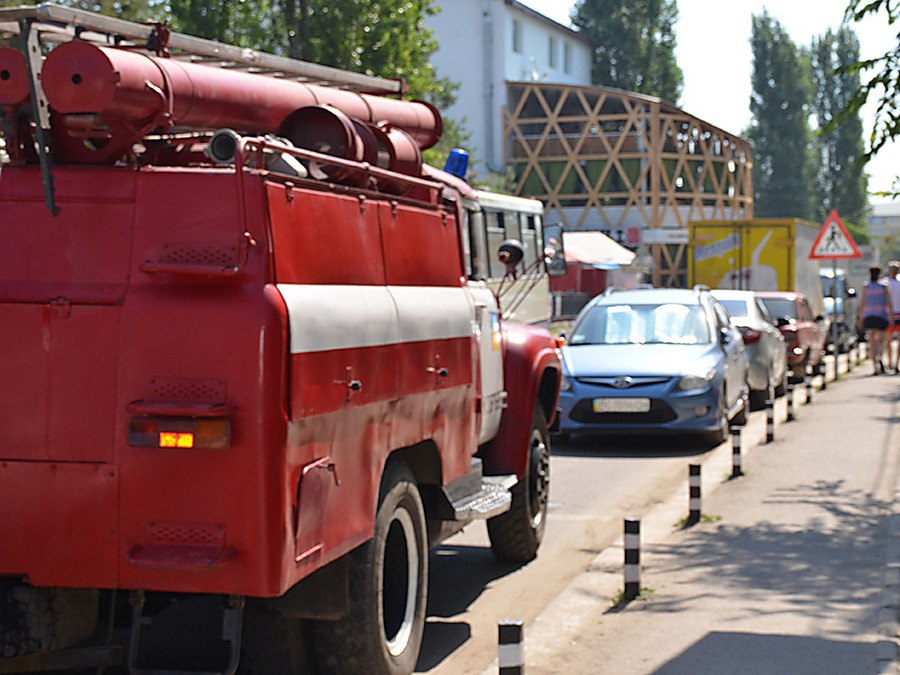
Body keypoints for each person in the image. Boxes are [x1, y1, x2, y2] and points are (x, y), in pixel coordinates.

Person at [858, 264, 893, 374]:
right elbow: (889, 303)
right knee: (880, 342)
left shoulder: (866, 286)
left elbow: (862, 303)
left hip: (869, 316)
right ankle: (880, 358)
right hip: (881, 316)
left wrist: (860, 317)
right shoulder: (884, 286)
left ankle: (874, 367)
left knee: (871, 342)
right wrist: (891, 317)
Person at [885, 260, 900, 373]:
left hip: (888, 314)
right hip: (897, 314)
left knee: (888, 340)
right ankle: (895, 363)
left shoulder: (884, 283)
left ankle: (890, 363)